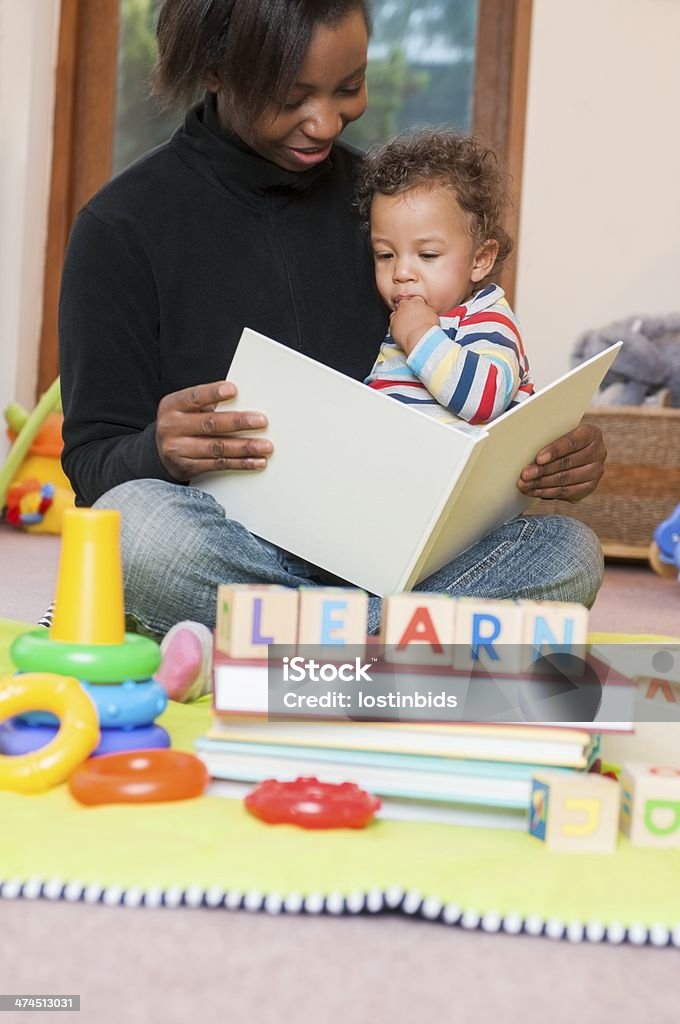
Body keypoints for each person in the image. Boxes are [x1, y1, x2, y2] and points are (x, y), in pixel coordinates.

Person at [56, 0, 606, 699]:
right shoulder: (121, 229)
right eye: (292, 99)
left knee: (570, 553)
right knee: (137, 531)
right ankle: (396, 660)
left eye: (348, 88)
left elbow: (474, 359)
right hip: (242, 553)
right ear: (217, 72)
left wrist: (553, 447)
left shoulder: (389, 212)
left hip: (405, 561)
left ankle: (292, 660)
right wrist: (157, 448)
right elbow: (94, 463)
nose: (323, 122)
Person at [357, 128, 532, 424]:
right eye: (386, 255)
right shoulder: (407, 320)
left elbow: (485, 401)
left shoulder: (488, 320)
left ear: (480, 259)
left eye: (427, 256)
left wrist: (419, 335)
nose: (401, 273)